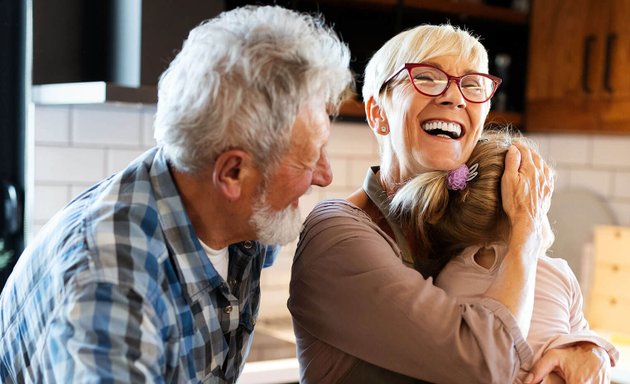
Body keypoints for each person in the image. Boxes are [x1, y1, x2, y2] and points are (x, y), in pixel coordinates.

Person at [0, 5, 352, 383]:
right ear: (233, 173)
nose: (325, 175)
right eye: (312, 155)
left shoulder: (232, 215)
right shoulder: (109, 284)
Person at [288, 24, 612, 383]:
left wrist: (587, 348)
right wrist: (526, 232)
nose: (454, 97)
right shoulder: (337, 234)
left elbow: (557, 322)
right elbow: (483, 364)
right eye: (426, 77)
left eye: (472, 85)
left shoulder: (468, 229)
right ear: (378, 113)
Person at [391, 128, 619, 383]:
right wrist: (595, 348)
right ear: (528, 211)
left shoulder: (444, 280)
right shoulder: (559, 274)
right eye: (541, 204)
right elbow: (587, 347)